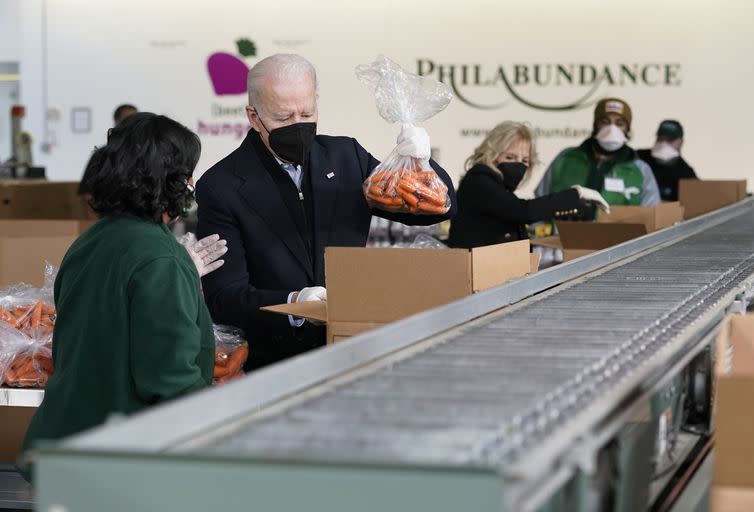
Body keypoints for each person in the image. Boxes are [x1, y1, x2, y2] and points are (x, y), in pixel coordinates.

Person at [196, 53, 457, 370]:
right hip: (275, 363)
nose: (297, 124)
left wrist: (420, 162)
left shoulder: (347, 158)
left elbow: (434, 210)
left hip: (352, 348)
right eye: (282, 117)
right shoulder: (221, 186)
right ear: (253, 116)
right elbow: (225, 297)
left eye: (306, 112)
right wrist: (293, 304)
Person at [21, 113, 222, 477]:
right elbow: (167, 378)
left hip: (66, 450)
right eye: (189, 173)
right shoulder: (161, 258)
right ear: (172, 179)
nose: (192, 183)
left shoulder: (89, 242)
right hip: (124, 461)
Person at [448, 122, 609, 248]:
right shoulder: (479, 180)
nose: (518, 166)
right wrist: (576, 194)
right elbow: (524, 211)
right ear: (492, 155)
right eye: (510, 157)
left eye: (524, 160)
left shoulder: (497, 186)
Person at [535, 98, 660, 217]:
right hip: (560, 237)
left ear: (627, 129)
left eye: (620, 123)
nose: (612, 129)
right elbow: (540, 201)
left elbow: (651, 216)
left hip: (619, 238)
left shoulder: (640, 170)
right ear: (595, 125)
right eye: (605, 122)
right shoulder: (566, 158)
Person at [77, 103, 139, 202]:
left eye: (136, 121)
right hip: (110, 215)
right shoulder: (102, 156)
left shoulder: (146, 155)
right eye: (127, 120)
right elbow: (87, 194)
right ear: (116, 122)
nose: (132, 125)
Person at [637, 119, 697, 201]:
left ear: (680, 142)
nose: (663, 144)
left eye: (670, 140)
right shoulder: (638, 158)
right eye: (660, 139)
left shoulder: (686, 174)